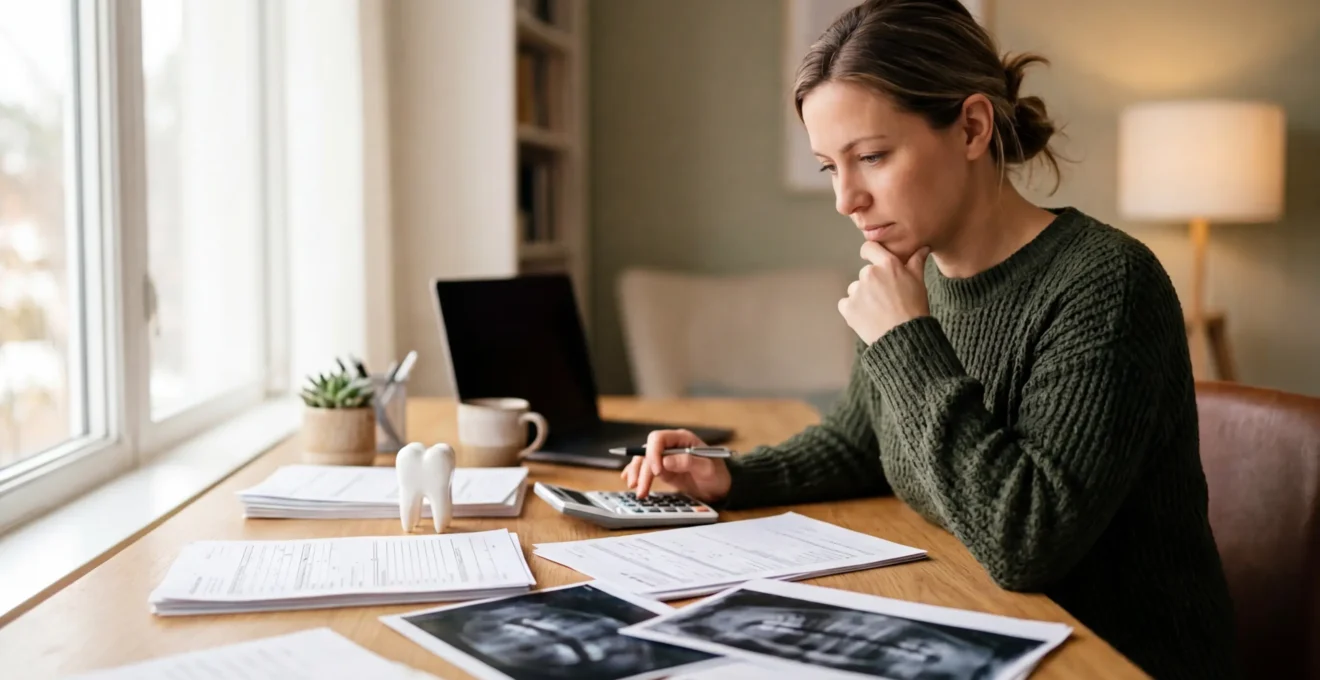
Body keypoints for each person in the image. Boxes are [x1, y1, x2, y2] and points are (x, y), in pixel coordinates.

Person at [620, 0, 1239, 677]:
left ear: (972, 126)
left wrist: (907, 336)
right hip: (975, 620)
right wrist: (731, 475)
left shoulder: (1107, 283)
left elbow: (1026, 540)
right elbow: (862, 440)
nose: (846, 199)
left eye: (873, 157)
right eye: (832, 166)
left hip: (1116, 658)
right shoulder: (913, 271)